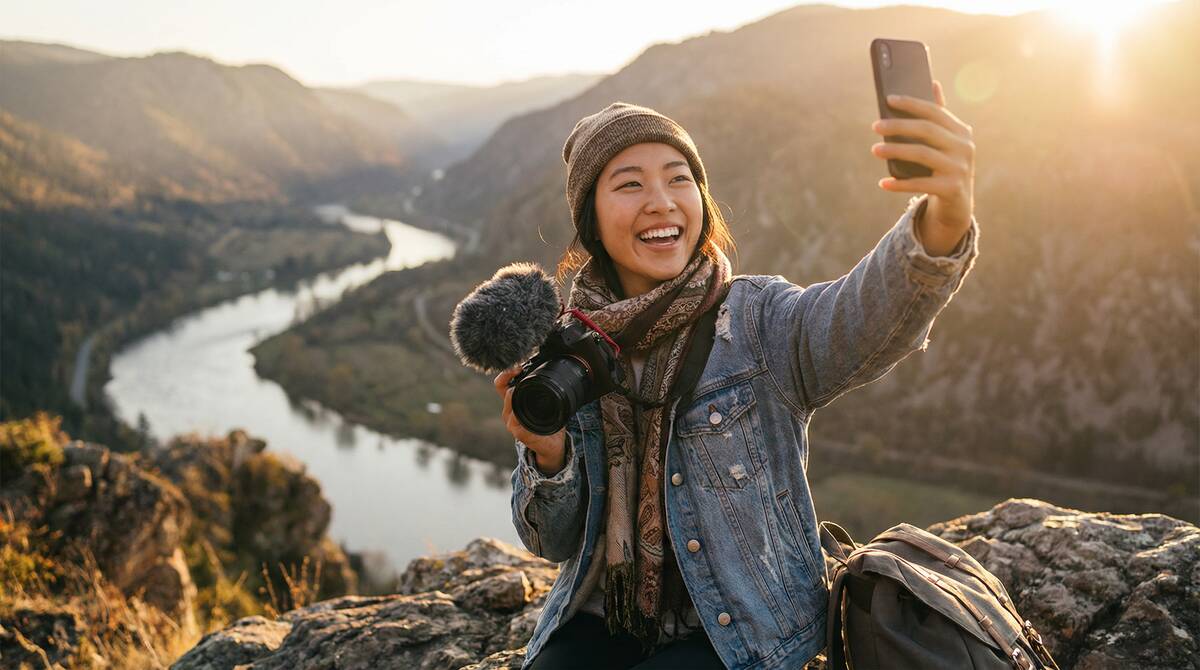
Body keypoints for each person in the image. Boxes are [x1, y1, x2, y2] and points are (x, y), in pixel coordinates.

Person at [495, 84, 978, 670]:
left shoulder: (758, 324)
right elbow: (552, 543)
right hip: (606, 617)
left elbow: (864, 317)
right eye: (630, 184)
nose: (662, 201)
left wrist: (942, 219)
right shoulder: (572, 349)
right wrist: (548, 457)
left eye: (679, 178)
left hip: (741, 631)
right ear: (590, 219)